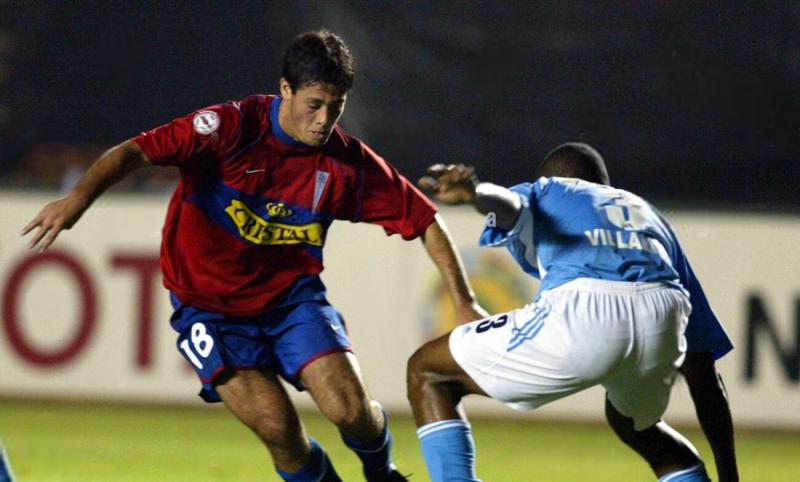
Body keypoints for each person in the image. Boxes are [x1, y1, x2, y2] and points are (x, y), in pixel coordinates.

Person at [22, 29, 487, 482]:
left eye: (336, 105)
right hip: (208, 310)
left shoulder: (346, 163)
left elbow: (425, 220)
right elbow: (134, 152)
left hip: (291, 301)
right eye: (314, 104)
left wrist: (463, 300)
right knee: (279, 429)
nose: (324, 119)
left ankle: (381, 473)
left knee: (350, 411)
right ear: (285, 89)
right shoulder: (229, 129)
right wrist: (78, 197)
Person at [408, 142, 736, 482]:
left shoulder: (551, 189)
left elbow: (510, 204)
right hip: (664, 316)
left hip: (585, 309)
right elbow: (703, 369)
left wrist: (475, 193)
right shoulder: (649, 218)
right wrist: (729, 473)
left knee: (428, 372)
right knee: (635, 423)